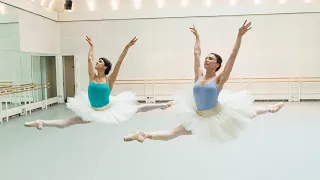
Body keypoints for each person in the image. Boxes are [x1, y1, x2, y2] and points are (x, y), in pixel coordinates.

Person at [123, 20, 284, 143]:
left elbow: (233, 54)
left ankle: (270, 108)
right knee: (175, 133)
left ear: (217, 65)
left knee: (251, 113)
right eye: (206, 58)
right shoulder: (198, 75)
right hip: (199, 116)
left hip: (217, 115)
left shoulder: (219, 79)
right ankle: (144, 134)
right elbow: (196, 53)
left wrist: (239, 36)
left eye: (211, 59)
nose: (206, 60)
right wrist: (198, 38)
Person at [24, 36, 174, 130]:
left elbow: (120, 62)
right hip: (92, 110)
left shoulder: (109, 80)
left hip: (107, 110)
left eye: (100, 61)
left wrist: (127, 47)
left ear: (106, 67)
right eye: (97, 60)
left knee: (138, 108)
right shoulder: (92, 76)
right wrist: (91, 47)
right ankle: (41, 122)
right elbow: (89, 59)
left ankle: (162, 105)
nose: (97, 62)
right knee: (69, 122)